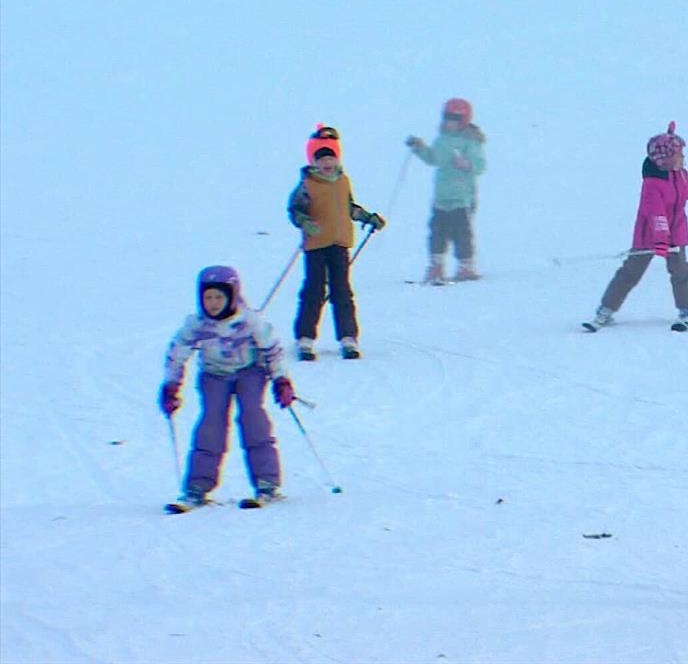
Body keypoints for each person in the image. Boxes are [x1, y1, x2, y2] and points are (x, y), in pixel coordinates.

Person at [159, 266, 296, 511]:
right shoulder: (197, 324)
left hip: (249, 372)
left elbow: (273, 349)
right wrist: (171, 386)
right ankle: (197, 487)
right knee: (211, 425)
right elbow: (177, 354)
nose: (213, 303)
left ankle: (267, 483)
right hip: (214, 375)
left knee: (253, 418)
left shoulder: (249, 320)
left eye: (219, 297)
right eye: (208, 297)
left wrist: (281, 380)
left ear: (233, 296)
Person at [585, 122, 688, 332]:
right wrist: (660, 240)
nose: (683, 158)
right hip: (648, 237)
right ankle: (605, 311)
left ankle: (686, 311)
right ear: (664, 160)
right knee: (630, 272)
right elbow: (656, 214)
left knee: (681, 271)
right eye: (679, 154)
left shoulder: (680, 174)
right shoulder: (652, 184)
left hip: (676, 235)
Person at [288, 124, 386, 360]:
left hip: (340, 243)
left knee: (342, 290)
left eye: (330, 157)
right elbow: (294, 210)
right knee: (314, 290)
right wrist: (306, 223)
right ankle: (305, 338)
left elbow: (349, 207)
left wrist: (368, 218)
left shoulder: (343, 181)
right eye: (321, 159)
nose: (327, 163)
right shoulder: (307, 184)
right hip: (316, 245)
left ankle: (348, 337)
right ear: (313, 161)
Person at [406, 98, 487, 285]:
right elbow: (433, 159)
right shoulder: (441, 140)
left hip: (461, 198)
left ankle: (465, 265)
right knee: (437, 232)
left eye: (455, 118)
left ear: (464, 120)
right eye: (447, 117)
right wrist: (419, 148)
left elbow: (480, 165)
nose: (449, 122)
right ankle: (436, 266)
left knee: (462, 233)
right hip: (441, 198)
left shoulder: (470, 141)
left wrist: (467, 164)